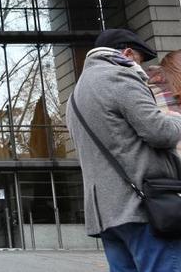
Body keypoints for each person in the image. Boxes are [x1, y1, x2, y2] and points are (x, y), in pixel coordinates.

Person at [66, 29, 181, 272]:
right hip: (143, 207)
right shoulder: (119, 76)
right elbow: (161, 132)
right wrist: (176, 117)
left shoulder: (75, 95)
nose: (142, 70)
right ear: (128, 53)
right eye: (140, 60)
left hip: (107, 215)